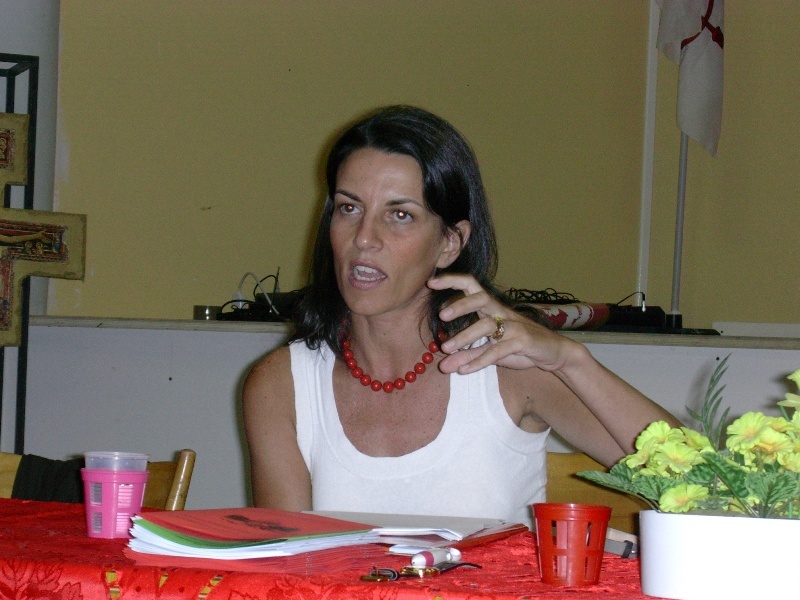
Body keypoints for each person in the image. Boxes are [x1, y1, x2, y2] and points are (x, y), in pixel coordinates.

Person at [243, 105, 680, 527]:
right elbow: (285, 561)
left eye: (400, 215)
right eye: (349, 208)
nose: (364, 239)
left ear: (450, 243)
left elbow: (696, 487)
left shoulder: (511, 368)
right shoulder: (282, 384)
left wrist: (571, 360)